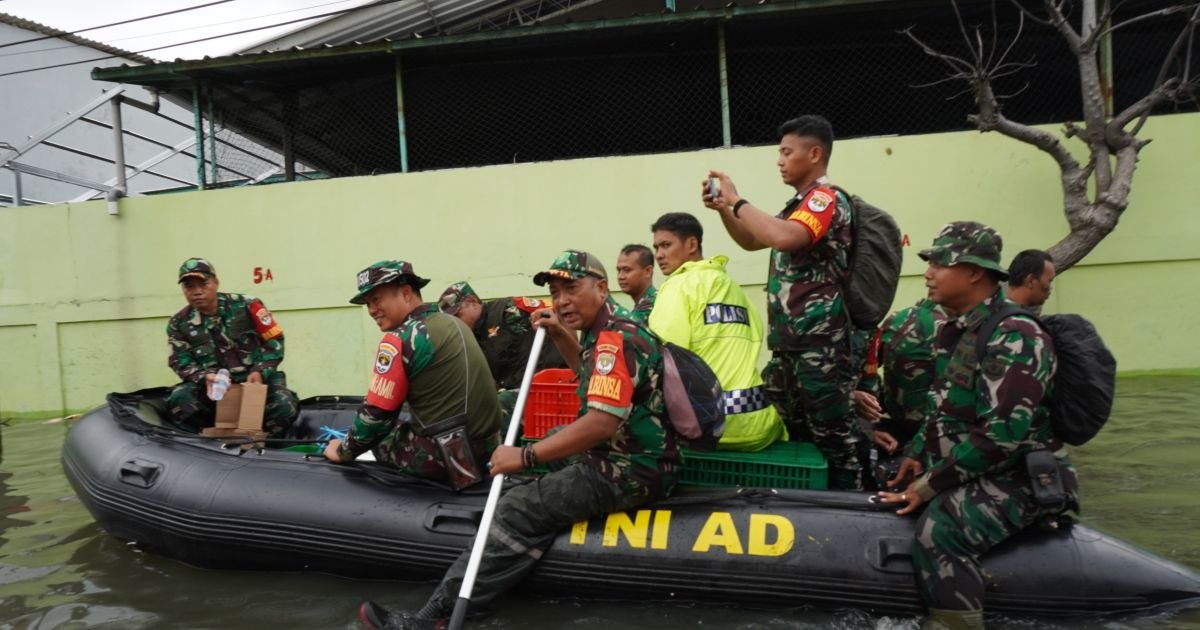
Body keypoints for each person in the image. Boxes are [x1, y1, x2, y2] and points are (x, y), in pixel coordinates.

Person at [357, 250, 680, 630]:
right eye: (557, 292)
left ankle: (437, 616)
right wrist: (560, 333)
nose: (562, 301)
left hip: (630, 467)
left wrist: (526, 457)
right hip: (627, 450)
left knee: (517, 507)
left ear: (602, 287)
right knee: (558, 436)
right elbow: (591, 380)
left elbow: (600, 424)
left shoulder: (615, 338)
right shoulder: (608, 330)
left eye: (572, 288)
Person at [878, 222, 1078, 629]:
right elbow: (943, 407)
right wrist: (916, 456)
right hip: (977, 468)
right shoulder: (958, 328)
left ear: (973, 271)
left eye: (939, 263)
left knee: (943, 528)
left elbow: (1001, 437)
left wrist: (933, 484)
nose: (928, 273)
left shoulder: (1016, 335)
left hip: (1022, 477)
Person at [702, 114, 865, 489]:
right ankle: (809, 502)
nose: (779, 160)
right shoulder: (799, 203)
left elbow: (785, 238)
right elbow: (752, 239)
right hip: (793, 344)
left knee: (834, 437)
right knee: (796, 433)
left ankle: (853, 506)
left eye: (786, 152)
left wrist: (737, 199)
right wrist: (725, 209)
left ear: (814, 154)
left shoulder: (825, 198)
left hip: (821, 344)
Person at [323, 261, 503, 485]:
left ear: (406, 293)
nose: (371, 310)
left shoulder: (401, 338)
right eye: (367, 303)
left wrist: (342, 450)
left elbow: (376, 417)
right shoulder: (454, 323)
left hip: (446, 459)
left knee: (376, 437)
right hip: (489, 448)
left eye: (376, 299)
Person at [646, 212, 787, 451]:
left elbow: (659, 359)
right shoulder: (733, 288)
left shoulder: (678, 286)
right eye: (656, 247)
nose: (659, 255)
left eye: (666, 245)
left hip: (712, 430)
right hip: (761, 424)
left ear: (691, 244)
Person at [166, 257, 299, 437]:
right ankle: (202, 446)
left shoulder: (246, 305)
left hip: (255, 382)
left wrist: (260, 371)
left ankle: (267, 447)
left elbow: (274, 342)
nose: (197, 291)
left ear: (216, 282)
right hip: (213, 389)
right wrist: (205, 377)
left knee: (285, 403)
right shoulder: (179, 323)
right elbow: (179, 362)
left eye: (203, 284)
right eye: (189, 286)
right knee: (180, 399)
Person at [853, 299, 948, 454]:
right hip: (928, 432)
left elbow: (870, 367)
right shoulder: (951, 327)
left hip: (892, 419)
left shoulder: (897, 317)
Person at [436, 281, 566, 390]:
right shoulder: (471, 336)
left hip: (549, 382)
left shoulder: (508, 308)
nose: (456, 323)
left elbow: (554, 314)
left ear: (473, 301)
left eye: (457, 315)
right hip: (518, 391)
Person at [615, 244, 657, 323]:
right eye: (619, 270)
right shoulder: (644, 304)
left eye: (627, 270)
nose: (620, 276)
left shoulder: (651, 305)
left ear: (648, 271)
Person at [1006, 249, 1056, 314]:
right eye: (1049, 281)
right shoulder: (1018, 321)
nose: (1050, 287)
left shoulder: (994, 312)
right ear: (1031, 281)